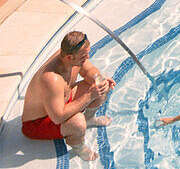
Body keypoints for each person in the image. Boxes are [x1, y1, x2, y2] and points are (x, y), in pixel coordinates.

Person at [21, 31, 114, 160]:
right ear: (69, 57)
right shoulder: (52, 79)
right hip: (39, 122)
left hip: (60, 103)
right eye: (84, 56)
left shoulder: (72, 57)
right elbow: (58, 117)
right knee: (77, 122)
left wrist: (98, 79)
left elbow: (89, 71)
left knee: (103, 86)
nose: (87, 57)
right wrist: (88, 96)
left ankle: (89, 119)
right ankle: (79, 147)